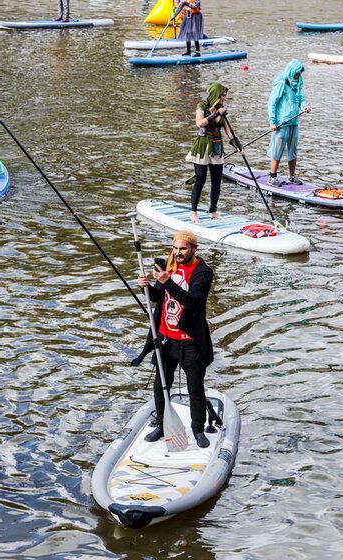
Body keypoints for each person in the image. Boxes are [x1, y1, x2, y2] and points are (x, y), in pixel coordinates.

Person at [137, 231, 214, 449]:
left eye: (182, 249)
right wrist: (146, 286)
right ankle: (161, 425)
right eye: (175, 249)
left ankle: (198, 429)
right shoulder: (170, 267)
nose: (178, 253)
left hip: (190, 341)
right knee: (161, 386)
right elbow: (158, 295)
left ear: (194, 249)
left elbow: (192, 302)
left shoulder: (203, 273)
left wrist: (167, 280)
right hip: (166, 339)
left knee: (195, 389)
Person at [184, 82, 242, 222]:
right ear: (216, 95)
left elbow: (229, 131)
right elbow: (199, 123)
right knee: (200, 180)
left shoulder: (222, 110)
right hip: (203, 146)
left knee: (216, 181)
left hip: (216, 147)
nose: (224, 98)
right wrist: (215, 113)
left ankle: (213, 210)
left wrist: (238, 145)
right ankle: (193, 212)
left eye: (225, 96)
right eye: (223, 95)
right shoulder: (202, 106)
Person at [267, 59, 312, 187]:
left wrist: (304, 106)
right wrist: (272, 121)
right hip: (281, 122)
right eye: (297, 73)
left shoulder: (297, 83)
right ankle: (272, 177)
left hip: (294, 121)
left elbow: (300, 99)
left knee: (292, 150)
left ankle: (291, 176)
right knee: (277, 150)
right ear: (292, 71)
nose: (298, 76)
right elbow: (272, 103)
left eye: (299, 74)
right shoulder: (282, 83)